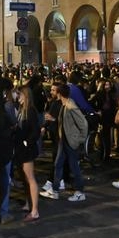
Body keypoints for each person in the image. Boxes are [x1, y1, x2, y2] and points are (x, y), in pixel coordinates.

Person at [40, 83, 88, 202]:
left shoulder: (71, 107)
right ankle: (55, 190)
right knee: (58, 164)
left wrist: (79, 139)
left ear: (60, 94)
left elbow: (83, 124)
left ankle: (80, 192)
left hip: (70, 141)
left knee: (73, 167)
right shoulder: (64, 105)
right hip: (64, 140)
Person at [14, 85, 41, 222]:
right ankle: (28, 203)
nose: (17, 97)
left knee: (30, 178)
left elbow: (35, 131)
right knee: (25, 178)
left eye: (19, 95)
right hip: (21, 148)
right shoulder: (21, 110)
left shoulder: (30, 111)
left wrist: (26, 142)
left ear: (26, 96)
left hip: (27, 149)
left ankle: (34, 210)